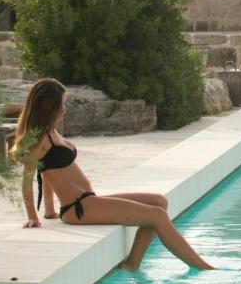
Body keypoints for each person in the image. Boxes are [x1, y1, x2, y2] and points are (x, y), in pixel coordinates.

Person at [13, 78, 214, 271]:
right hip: (78, 209)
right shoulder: (38, 140)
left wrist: (49, 210)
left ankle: (132, 263)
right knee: (158, 216)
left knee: (159, 202)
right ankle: (203, 268)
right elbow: (28, 180)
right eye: (62, 104)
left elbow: (47, 170)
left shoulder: (51, 131)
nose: (64, 109)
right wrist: (32, 216)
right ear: (49, 106)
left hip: (88, 201)